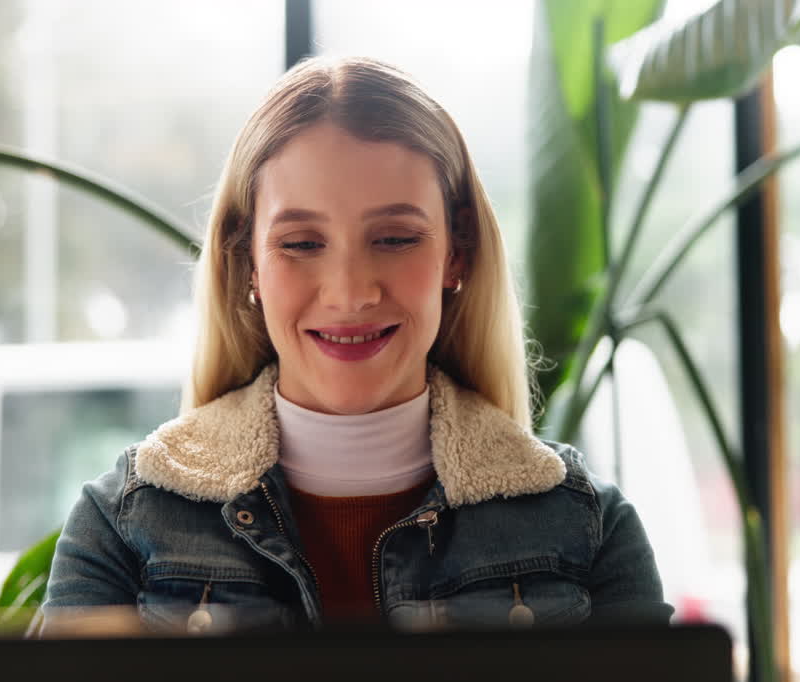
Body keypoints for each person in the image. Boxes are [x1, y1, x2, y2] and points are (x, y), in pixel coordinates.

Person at [42, 56, 670, 633]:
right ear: (249, 266)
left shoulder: (589, 530)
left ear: (457, 256)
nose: (349, 294)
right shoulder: (119, 530)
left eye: (395, 238)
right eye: (301, 244)